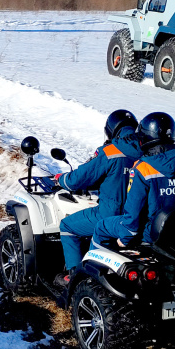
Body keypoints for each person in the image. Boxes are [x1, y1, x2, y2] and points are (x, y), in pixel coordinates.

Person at [92, 112, 175, 249]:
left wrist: (125, 237)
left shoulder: (143, 169)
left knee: (101, 226)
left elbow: (133, 212)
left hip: (152, 233)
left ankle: (86, 269)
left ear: (146, 137)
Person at [53, 110, 138, 287]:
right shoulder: (146, 150)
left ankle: (74, 277)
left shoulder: (110, 152)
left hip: (110, 214)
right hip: (136, 218)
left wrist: (61, 179)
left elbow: (77, 180)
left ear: (111, 130)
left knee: (67, 226)